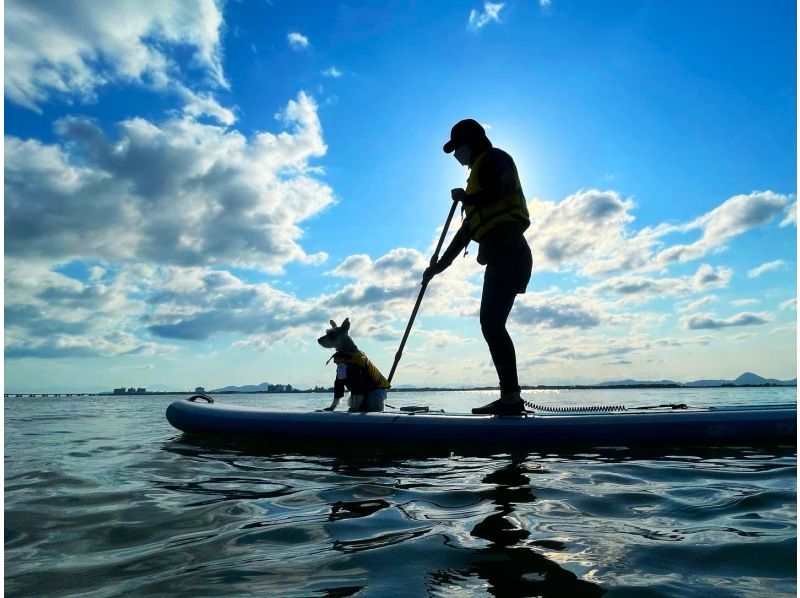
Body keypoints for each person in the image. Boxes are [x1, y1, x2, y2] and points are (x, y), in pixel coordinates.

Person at [423, 119, 532, 415]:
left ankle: (511, 399)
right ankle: (510, 397)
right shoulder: (475, 181)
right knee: (491, 324)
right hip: (501, 254)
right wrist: (437, 268)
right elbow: (464, 234)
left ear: (471, 142)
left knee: (492, 324)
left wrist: (468, 197)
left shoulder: (495, 159)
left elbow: (503, 186)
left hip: (510, 250)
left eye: (458, 148)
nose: (457, 156)